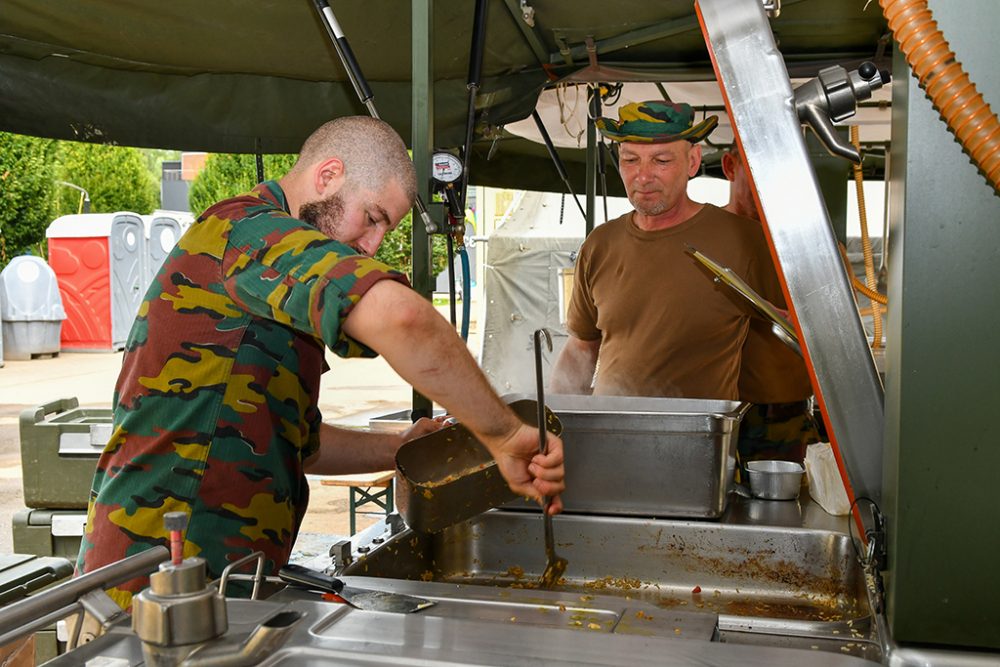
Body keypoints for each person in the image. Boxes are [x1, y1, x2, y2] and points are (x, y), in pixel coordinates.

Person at [76, 116, 565, 610]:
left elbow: (298, 442)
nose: (373, 245)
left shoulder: (275, 277)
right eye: (373, 218)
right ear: (328, 176)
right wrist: (501, 433)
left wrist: (399, 448)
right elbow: (403, 319)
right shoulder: (250, 233)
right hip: (155, 581)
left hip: (223, 581)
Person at [549, 101, 786, 401]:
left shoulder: (744, 241)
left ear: (693, 161)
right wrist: (556, 419)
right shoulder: (600, 244)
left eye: (661, 160)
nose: (643, 176)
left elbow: (799, 332)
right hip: (611, 434)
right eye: (631, 159)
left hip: (697, 441)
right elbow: (581, 349)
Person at [721, 145, 821, 474]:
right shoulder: (705, 236)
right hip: (712, 411)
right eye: (756, 167)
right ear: (729, 166)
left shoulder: (806, 240)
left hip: (784, 418)